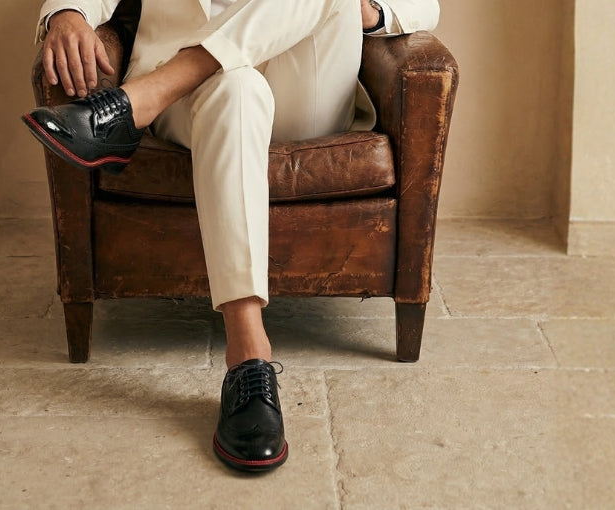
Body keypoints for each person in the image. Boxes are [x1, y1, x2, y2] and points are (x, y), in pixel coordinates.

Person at [22, 0, 439, 473]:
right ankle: (248, 356)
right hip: (202, 100)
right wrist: (66, 13)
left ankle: (141, 100)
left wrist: (367, 11)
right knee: (236, 87)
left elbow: (424, 5)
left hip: (308, 88)